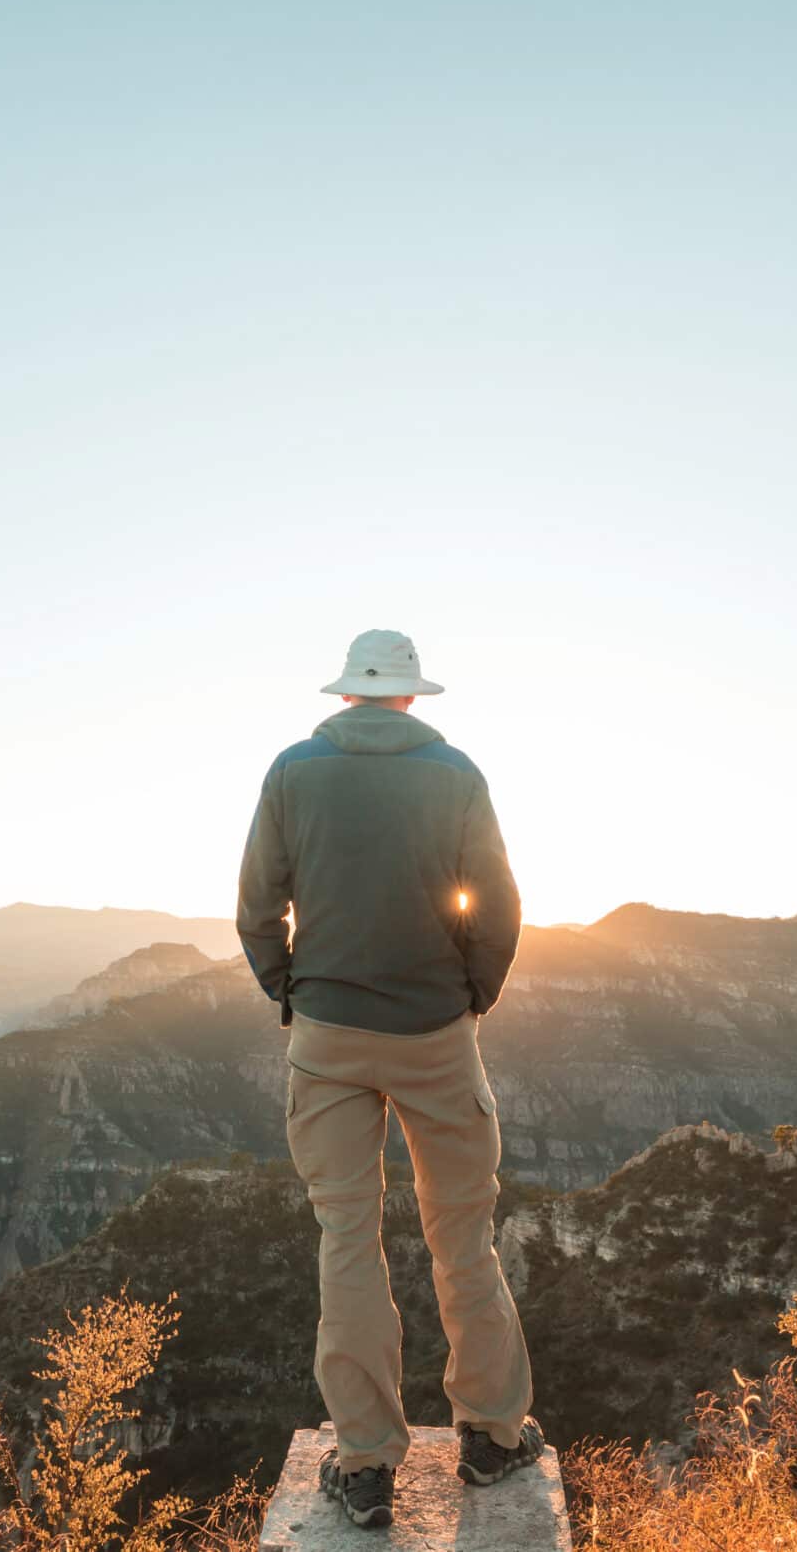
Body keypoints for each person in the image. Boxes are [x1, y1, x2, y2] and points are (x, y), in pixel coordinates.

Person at [236, 628, 542, 1531]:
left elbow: (258, 906)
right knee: (462, 1233)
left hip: (327, 1036)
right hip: (434, 1033)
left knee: (347, 1238)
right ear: (412, 696)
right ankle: (489, 1433)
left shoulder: (292, 771)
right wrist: (471, 995)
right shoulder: (456, 776)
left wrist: (293, 994)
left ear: (346, 696)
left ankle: (366, 1461)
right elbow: (498, 905)